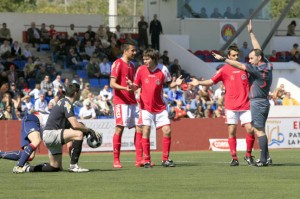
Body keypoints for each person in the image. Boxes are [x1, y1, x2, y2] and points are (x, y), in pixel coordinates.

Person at [212, 20, 273, 167]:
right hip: (263, 101)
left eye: (252, 58)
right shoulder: (267, 65)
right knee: (259, 130)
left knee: (258, 131)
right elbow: (258, 50)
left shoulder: (255, 70)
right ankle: (266, 157)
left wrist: (223, 59)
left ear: (257, 59)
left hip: (257, 102)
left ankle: (264, 159)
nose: (249, 60)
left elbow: (240, 65)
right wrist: (251, 33)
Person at [190, 45, 255, 166]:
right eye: (233, 55)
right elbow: (211, 81)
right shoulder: (224, 70)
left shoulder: (245, 68)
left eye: (237, 55)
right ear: (229, 56)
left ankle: (248, 155)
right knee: (232, 131)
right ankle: (234, 158)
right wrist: (198, 82)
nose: (236, 57)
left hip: (245, 104)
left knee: (250, 129)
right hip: (231, 105)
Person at [127, 48, 183, 168]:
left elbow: (169, 84)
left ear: (154, 59)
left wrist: (176, 83)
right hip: (145, 107)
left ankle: (165, 159)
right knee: (146, 131)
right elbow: (135, 86)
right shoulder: (141, 70)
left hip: (160, 107)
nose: (145, 61)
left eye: (147, 59)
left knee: (167, 130)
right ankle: (147, 160)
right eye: (144, 59)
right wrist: (131, 86)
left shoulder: (163, 69)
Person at [25, 83, 99, 172]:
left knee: (55, 167)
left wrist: (86, 130)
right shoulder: (67, 103)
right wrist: (89, 130)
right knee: (78, 134)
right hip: (51, 134)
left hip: (49, 135)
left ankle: (29, 168)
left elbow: (72, 125)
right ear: (76, 93)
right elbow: (75, 125)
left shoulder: (63, 101)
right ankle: (73, 166)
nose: (79, 94)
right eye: (79, 92)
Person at [110, 42, 142, 168]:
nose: (134, 53)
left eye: (135, 51)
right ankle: (116, 160)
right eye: (132, 51)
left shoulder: (132, 65)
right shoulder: (118, 63)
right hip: (121, 101)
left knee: (139, 127)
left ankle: (139, 159)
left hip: (132, 100)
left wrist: (135, 87)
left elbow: (132, 83)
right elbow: (112, 83)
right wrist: (124, 88)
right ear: (125, 51)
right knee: (119, 128)